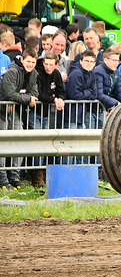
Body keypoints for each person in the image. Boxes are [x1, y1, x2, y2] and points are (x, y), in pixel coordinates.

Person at [0, 50, 39, 189]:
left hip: (14, 109)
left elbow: (35, 93)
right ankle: (3, 180)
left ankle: (15, 178)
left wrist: (21, 98)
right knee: (2, 144)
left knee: (19, 139)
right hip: (2, 109)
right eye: (28, 61)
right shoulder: (12, 71)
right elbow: (9, 93)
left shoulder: (34, 73)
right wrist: (27, 98)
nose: (30, 64)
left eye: (33, 62)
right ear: (22, 60)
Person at [32, 51, 65, 181]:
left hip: (47, 114)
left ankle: (47, 175)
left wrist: (61, 99)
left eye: (51, 64)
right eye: (46, 64)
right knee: (37, 142)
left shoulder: (56, 74)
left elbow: (61, 91)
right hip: (35, 113)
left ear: (56, 64)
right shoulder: (37, 72)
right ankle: (37, 177)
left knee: (47, 143)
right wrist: (54, 100)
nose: (48, 67)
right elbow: (38, 94)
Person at [65, 50, 98, 129]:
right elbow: (74, 95)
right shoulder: (76, 73)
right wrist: (88, 92)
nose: (89, 63)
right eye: (86, 61)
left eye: (91, 61)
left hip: (81, 115)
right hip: (70, 115)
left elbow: (94, 94)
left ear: (94, 63)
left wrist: (85, 93)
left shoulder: (91, 73)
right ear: (80, 61)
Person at [94, 47, 121, 114]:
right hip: (96, 110)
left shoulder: (115, 72)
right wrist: (116, 103)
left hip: (107, 108)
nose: (116, 63)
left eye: (117, 60)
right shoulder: (98, 72)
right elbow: (99, 94)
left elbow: (119, 89)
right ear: (105, 60)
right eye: (114, 60)